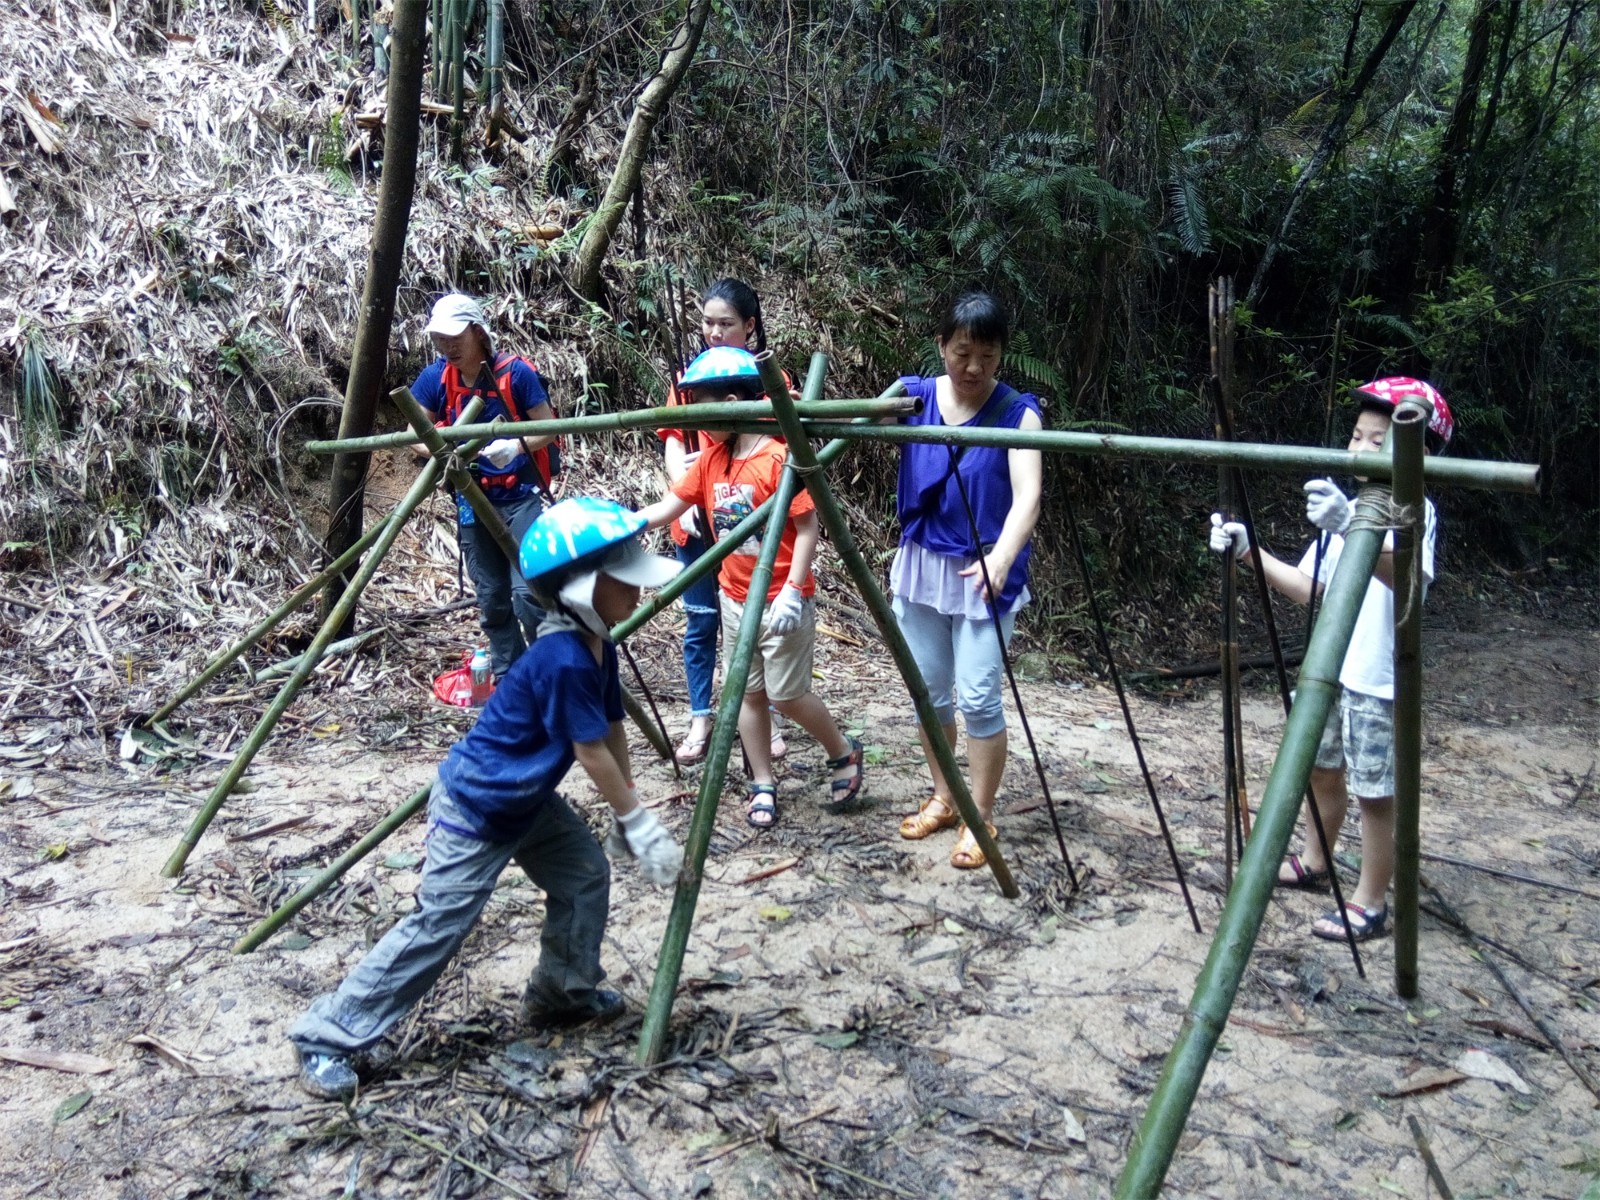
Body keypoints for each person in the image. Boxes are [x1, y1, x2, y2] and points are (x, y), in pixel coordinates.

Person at [289, 498, 686, 1100]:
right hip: (478, 806)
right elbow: (590, 753)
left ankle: (561, 993)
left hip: (525, 802)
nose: (637, 594)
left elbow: (612, 730)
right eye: (623, 581)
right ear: (580, 589)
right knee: (441, 924)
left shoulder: (597, 644)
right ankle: (328, 1034)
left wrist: (626, 806)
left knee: (583, 877)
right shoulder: (561, 657)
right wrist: (636, 819)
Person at [1208, 377, 1451, 942]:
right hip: (1328, 672)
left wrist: (1354, 527)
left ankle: (1370, 901)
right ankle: (1317, 860)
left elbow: (1410, 579)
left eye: (1378, 440)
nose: (1360, 450)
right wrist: (1249, 552)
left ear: (1420, 451)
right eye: (1357, 438)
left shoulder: (1416, 508)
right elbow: (1313, 588)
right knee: (1319, 768)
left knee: (1375, 791)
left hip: (1378, 680)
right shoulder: (1351, 507)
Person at [640, 346, 865, 828]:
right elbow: (670, 507)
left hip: (782, 597)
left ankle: (843, 750)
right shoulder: (711, 460)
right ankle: (763, 780)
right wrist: (625, 522)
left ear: (736, 401)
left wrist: (793, 587)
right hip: (735, 595)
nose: (697, 415)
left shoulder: (777, 457)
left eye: (704, 404)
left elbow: (808, 528)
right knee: (745, 691)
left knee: (785, 695)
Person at [891, 292, 1044, 870]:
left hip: (984, 569)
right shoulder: (913, 395)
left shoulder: (1018, 413)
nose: (973, 367)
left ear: (1002, 354)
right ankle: (945, 796)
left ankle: (980, 814)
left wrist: (1002, 557)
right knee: (929, 692)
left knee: (977, 696)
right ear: (941, 347)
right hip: (923, 564)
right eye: (962, 353)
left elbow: (1028, 495)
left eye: (986, 354)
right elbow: (851, 419)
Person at [656, 278, 789, 766]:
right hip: (698, 503)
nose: (713, 331)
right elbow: (674, 438)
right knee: (701, 618)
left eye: (725, 323)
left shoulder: (769, 377)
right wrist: (684, 497)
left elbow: (782, 445)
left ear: (749, 326)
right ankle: (700, 717)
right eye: (708, 322)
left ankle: (767, 715)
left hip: (750, 514)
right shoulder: (688, 377)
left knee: (759, 615)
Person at [414, 293, 558, 678]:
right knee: (492, 596)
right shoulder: (435, 379)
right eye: (439, 341)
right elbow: (413, 432)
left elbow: (548, 427)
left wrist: (515, 445)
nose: (447, 348)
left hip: (520, 497)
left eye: (454, 339)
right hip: (472, 499)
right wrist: (445, 449)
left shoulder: (515, 374)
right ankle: (510, 675)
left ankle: (548, 671)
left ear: (477, 333)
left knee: (529, 593)